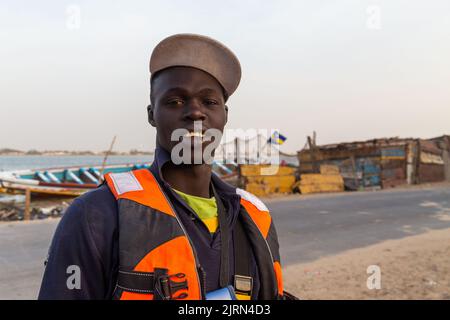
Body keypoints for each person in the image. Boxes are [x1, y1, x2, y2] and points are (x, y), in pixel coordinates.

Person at [38, 34, 288, 300]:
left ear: (225, 115)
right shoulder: (96, 214)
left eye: (209, 102)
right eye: (175, 101)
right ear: (151, 115)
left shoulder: (255, 217)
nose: (195, 112)